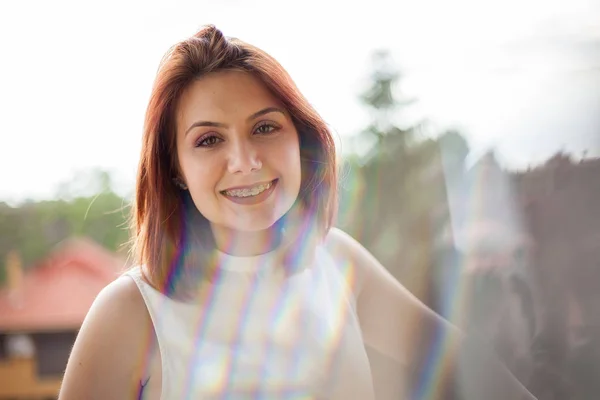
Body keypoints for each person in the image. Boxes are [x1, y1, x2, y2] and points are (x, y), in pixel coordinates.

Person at [58, 25, 537, 399]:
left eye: (265, 128)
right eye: (209, 140)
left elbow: (466, 367)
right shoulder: (129, 313)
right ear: (176, 168)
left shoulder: (338, 262)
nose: (244, 162)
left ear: (300, 140)